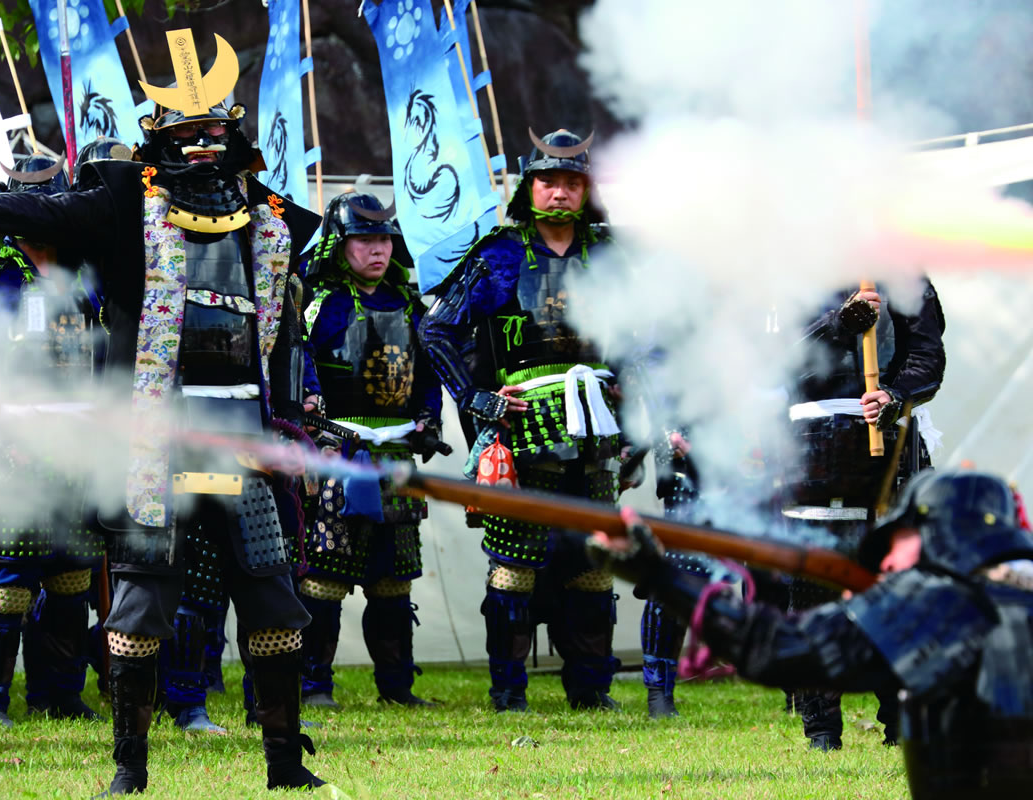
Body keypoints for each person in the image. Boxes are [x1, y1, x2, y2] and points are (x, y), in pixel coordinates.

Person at [0, 33, 326, 793]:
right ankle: (129, 770)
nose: (203, 146)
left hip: (240, 439)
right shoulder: (121, 201)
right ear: (161, 138)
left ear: (231, 134)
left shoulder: (269, 220)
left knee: (273, 600)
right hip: (156, 443)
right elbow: (45, 209)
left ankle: (284, 767)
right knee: (140, 604)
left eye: (214, 133)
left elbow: (284, 326)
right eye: (186, 134)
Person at [591, 468, 1033, 800]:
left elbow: (777, 649)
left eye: (894, 546)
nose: (886, 566)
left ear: (931, 534)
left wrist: (658, 574)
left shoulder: (930, 601)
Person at [419, 129, 624, 712]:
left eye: (571, 182)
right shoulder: (499, 254)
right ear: (529, 186)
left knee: (593, 558)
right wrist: (477, 399)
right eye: (548, 181)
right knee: (514, 561)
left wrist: (640, 431)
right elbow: (435, 330)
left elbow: (644, 342)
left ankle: (592, 689)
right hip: (524, 422)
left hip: (597, 425)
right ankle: (509, 691)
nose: (559, 193)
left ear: (587, 190)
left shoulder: (612, 256)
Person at [0, 152, 106, 727]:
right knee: (12, 580)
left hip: (79, 451)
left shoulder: (87, 282)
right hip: (15, 448)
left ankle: (59, 692)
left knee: (71, 578)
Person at [296, 191, 444, 708]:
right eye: (364, 239)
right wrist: (312, 415)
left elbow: (428, 376)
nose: (376, 250)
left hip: (397, 455)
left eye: (383, 239)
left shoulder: (410, 303)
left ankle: (397, 688)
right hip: (339, 452)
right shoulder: (319, 301)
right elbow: (300, 363)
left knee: (394, 579)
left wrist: (430, 417)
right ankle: (314, 686)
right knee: (325, 576)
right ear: (341, 244)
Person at [783, 280, 946, 748]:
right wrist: (838, 324)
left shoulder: (904, 272)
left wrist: (894, 396)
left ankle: (902, 717)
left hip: (892, 444)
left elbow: (927, 359)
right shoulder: (784, 262)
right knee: (814, 585)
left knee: (899, 582)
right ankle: (821, 728)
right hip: (813, 443)